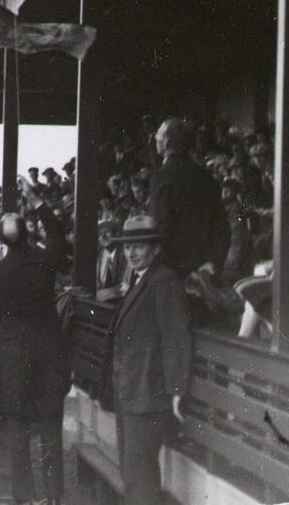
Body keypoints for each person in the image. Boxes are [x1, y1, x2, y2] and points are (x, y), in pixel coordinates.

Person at [0, 177, 69, 505]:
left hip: (15, 357)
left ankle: (24, 498)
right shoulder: (45, 261)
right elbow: (58, 235)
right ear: (27, 233)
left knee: (19, 432)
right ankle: (53, 497)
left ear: (1, 239)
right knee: (50, 427)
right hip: (49, 353)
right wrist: (37, 201)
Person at [99, 215, 191, 505]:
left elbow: (176, 337)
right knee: (134, 474)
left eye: (139, 246)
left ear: (155, 249)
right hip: (132, 394)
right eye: (128, 248)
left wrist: (177, 390)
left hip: (149, 396)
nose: (131, 253)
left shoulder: (164, 280)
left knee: (139, 478)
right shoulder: (141, 279)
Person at [150, 118, 230, 280]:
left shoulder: (162, 177)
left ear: (166, 142)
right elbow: (222, 227)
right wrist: (213, 263)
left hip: (173, 275)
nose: (155, 139)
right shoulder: (206, 176)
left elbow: (161, 228)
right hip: (205, 273)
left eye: (157, 135)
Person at [96, 219, 127, 294]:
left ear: (116, 234)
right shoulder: (101, 254)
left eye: (107, 232)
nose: (103, 236)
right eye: (100, 234)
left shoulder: (124, 254)